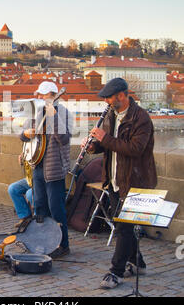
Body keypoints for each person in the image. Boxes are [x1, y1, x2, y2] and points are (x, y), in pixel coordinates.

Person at [81, 77, 157, 289]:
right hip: (114, 180)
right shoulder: (112, 115)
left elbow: (135, 149)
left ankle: (116, 272)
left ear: (122, 96)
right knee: (125, 226)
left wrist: (104, 139)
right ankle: (138, 263)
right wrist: (93, 146)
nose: (106, 101)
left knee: (123, 228)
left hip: (135, 180)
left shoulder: (140, 118)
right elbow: (107, 146)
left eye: (109, 97)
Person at [20, 81, 73, 259]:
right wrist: (26, 133)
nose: (40, 97)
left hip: (54, 168)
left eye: (43, 95)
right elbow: (22, 135)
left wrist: (53, 116)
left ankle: (62, 245)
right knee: (40, 207)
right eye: (39, 95)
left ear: (53, 94)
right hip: (37, 165)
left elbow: (64, 139)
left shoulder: (64, 113)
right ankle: (42, 242)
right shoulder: (36, 112)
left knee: (56, 209)